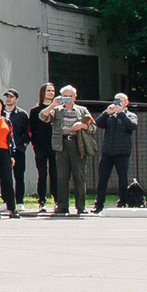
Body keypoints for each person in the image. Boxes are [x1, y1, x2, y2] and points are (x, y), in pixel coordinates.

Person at [45, 84, 93, 215]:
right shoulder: (57, 110)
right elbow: (43, 117)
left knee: (79, 177)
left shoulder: (82, 110)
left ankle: (81, 206)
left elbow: (93, 127)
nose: (67, 98)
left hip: (77, 145)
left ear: (75, 96)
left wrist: (83, 125)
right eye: (64, 96)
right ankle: (62, 206)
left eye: (70, 96)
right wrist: (53, 105)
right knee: (62, 177)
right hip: (62, 145)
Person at [92, 93, 138, 211]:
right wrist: (106, 113)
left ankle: (122, 201)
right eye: (116, 100)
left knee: (122, 178)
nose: (118, 103)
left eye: (121, 100)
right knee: (102, 178)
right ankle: (99, 203)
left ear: (126, 102)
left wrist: (121, 113)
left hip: (122, 152)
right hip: (107, 151)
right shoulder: (109, 115)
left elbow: (131, 126)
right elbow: (98, 123)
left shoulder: (130, 115)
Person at [27, 80, 60, 210]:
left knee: (55, 174)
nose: (51, 93)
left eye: (53, 90)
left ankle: (57, 200)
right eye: (48, 90)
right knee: (42, 174)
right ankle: (42, 201)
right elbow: (31, 129)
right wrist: (35, 143)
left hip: (55, 146)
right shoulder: (35, 110)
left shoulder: (58, 109)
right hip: (41, 146)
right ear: (42, 93)